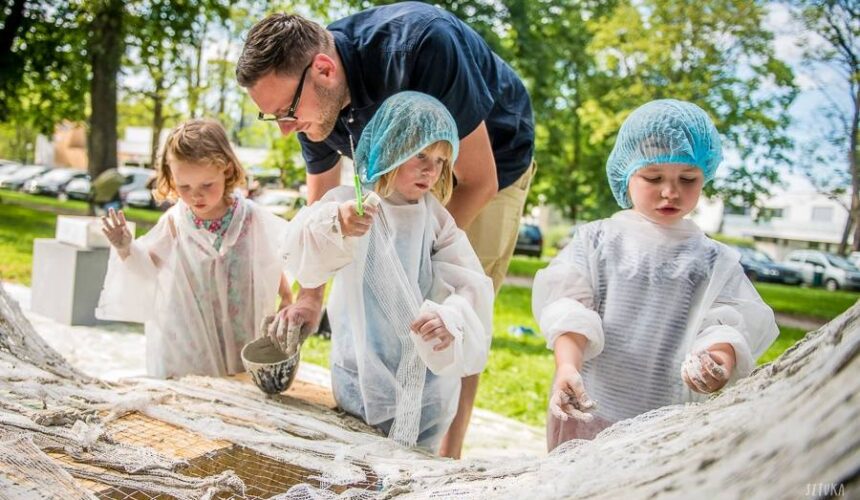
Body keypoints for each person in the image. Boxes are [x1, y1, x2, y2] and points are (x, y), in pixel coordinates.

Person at [236, 1, 535, 458]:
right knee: (379, 293)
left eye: (287, 114)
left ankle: (444, 455)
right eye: (274, 117)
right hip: (397, 166)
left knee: (452, 303)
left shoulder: (423, 45)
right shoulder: (304, 95)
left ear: (325, 69)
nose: (285, 130)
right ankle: (377, 413)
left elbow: (479, 181)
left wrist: (421, 254)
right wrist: (310, 295)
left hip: (489, 157)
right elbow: (321, 198)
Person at [532, 99, 779, 450]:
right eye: (653, 177)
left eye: (688, 179)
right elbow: (570, 308)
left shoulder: (711, 259)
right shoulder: (598, 240)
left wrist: (718, 362)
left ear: (704, 176)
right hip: (590, 409)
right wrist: (567, 366)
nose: (670, 191)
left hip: (664, 426)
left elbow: (725, 322)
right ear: (626, 173)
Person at [280, 92, 494, 452]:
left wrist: (451, 319)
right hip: (360, 374)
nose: (431, 169)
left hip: (424, 386)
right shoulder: (351, 203)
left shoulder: (437, 220)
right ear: (389, 147)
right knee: (356, 464)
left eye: (442, 160)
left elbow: (469, 283)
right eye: (420, 154)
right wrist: (338, 224)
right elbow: (299, 244)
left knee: (411, 473)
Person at [95, 119, 293, 379]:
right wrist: (125, 246)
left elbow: (269, 260)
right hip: (189, 338)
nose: (195, 196)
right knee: (195, 394)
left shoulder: (250, 218)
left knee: (237, 391)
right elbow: (147, 267)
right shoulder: (176, 222)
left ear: (227, 169)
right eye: (184, 187)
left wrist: (287, 297)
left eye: (206, 185)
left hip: (238, 330)